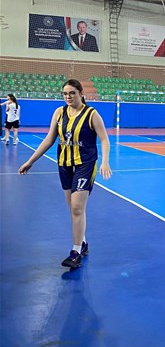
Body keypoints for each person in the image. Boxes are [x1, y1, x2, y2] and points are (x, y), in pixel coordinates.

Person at [18, 78, 111, 268]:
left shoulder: (92, 114)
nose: (68, 97)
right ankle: (83, 243)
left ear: (81, 94)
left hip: (85, 164)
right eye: (65, 94)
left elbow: (104, 139)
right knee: (73, 208)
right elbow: (49, 139)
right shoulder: (59, 113)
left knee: (77, 208)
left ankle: (75, 252)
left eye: (72, 93)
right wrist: (30, 161)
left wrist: (105, 161)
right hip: (64, 165)